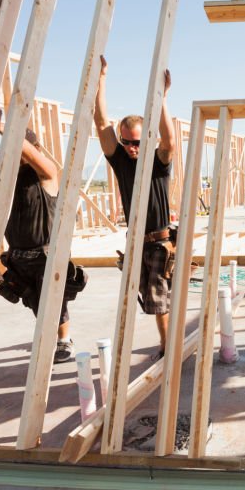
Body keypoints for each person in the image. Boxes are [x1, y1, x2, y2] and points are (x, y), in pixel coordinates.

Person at [0, 98, 87, 363]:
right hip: (20, 256)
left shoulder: (47, 174)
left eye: (23, 147)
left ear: (34, 149)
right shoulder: (10, 174)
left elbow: (28, 153)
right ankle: (54, 337)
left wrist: (1, 125)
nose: (18, 151)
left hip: (46, 255)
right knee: (36, 304)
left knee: (54, 305)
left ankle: (64, 341)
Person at [94, 56, 177, 359]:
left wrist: (163, 99)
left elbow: (169, 140)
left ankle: (168, 347)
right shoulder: (120, 162)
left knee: (159, 298)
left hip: (159, 242)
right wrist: (101, 77)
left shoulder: (157, 162)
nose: (132, 148)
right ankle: (163, 344)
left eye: (138, 142)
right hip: (136, 242)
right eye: (127, 142)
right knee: (142, 296)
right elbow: (101, 124)